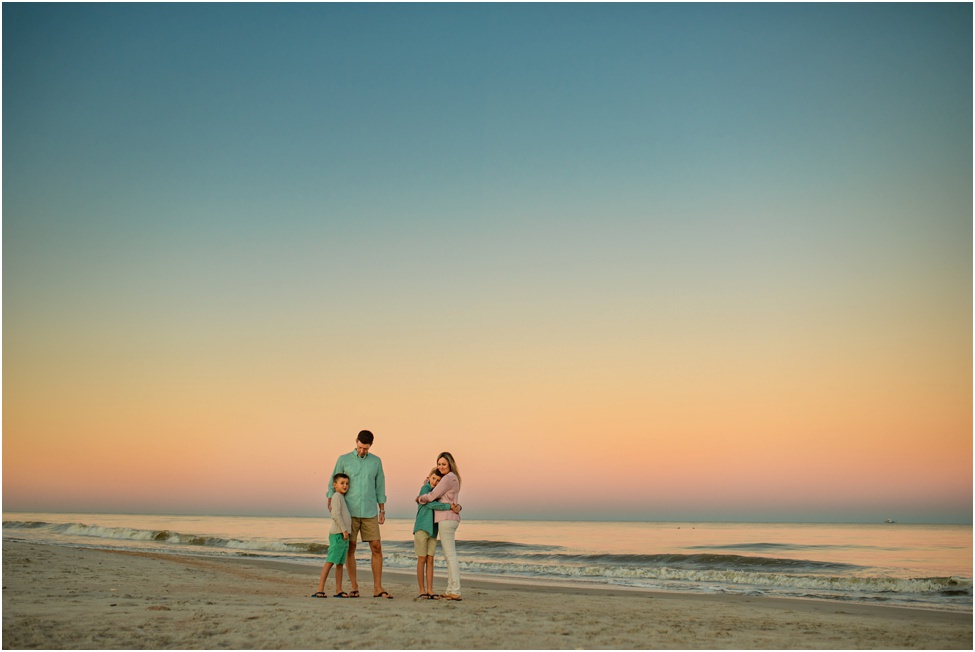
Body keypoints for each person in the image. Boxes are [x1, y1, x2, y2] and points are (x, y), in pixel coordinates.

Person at [327, 430, 391, 599]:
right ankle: (354, 587)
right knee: (351, 548)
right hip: (350, 511)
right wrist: (329, 499)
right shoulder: (344, 459)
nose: (362, 451)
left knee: (376, 547)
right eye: (360, 447)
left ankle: (378, 587)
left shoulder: (376, 462)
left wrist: (382, 509)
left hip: (370, 511)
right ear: (356, 442)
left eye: (366, 448)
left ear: (371, 446)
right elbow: (333, 480)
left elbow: (380, 486)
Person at [417, 452, 462, 601]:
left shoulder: (448, 478)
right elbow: (432, 484)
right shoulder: (451, 478)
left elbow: (432, 495)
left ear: (450, 464)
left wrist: (420, 498)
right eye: (439, 464)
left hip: (447, 519)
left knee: (450, 555)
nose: (441, 466)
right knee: (449, 555)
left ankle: (455, 590)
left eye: (444, 464)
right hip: (450, 518)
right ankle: (451, 589)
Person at [312, 473, 351, 598]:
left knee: (340, 563)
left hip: (344, 535)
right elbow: (335, 515)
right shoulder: (336, 496)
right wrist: (344, 530)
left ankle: (338, 589)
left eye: (347, 483)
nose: (345, 486)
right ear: (335, 485)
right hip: (338, 534)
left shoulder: (341, 497)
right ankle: (320, 589)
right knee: (330, 562)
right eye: (342, 483)